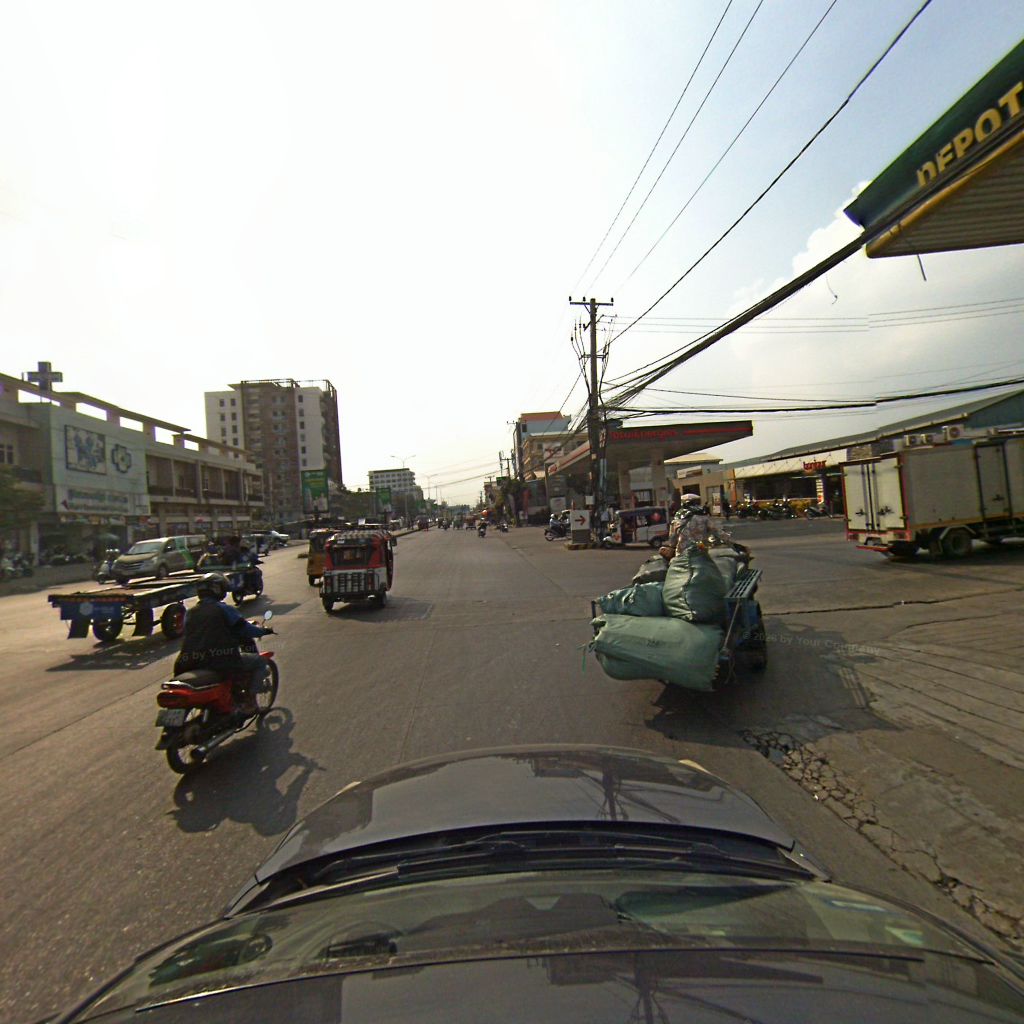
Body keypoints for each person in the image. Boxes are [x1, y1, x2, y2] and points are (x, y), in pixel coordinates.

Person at [173, 573, 273, 714]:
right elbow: (245, 629)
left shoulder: (190, 612)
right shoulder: (224, 609)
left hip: (187, 661)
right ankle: (249, 701)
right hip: (221, 660)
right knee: (260, 662)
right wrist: (262, 631)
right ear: (218, 590)